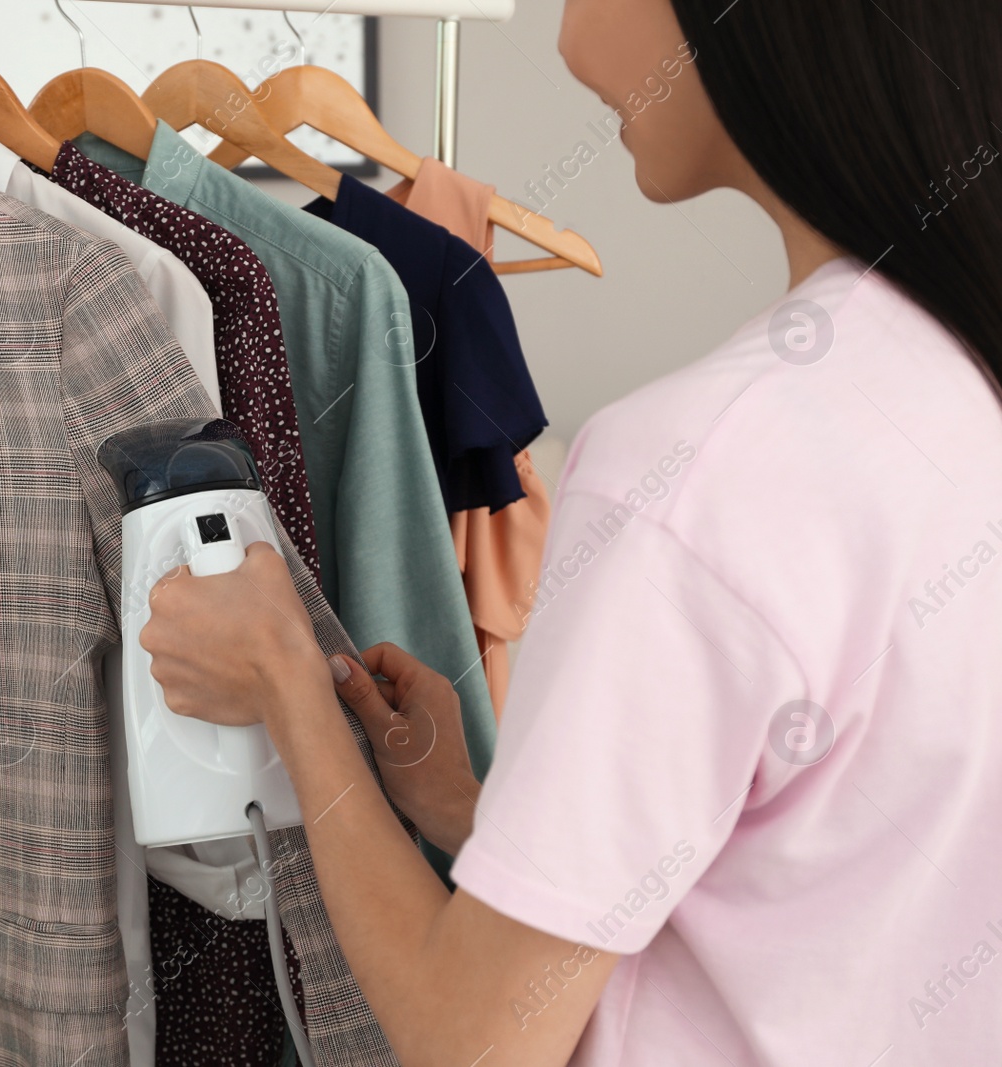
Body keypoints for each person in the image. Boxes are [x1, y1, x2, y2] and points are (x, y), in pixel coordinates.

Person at [138, 0, 1002, 1063]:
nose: (565, 42)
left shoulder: (696, 469)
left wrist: (283, 683)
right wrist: (471, 807)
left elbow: (472, 1039)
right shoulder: (952, 384)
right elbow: (805, 889)